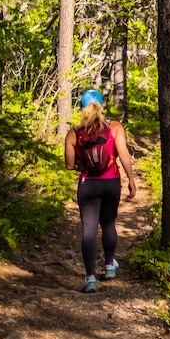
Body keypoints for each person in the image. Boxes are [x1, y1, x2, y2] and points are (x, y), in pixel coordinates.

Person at [62, 89, 139, 293]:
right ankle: (110, 264)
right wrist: (131, 180)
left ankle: (90, 279)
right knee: (108, 225)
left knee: (88, 231)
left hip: (88, 185)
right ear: (102, 105)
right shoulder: (114, 127)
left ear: (82, 109)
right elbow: (123, 153)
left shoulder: (74, 133)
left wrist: (85, 165)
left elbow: (70, 165)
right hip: (111, 181)